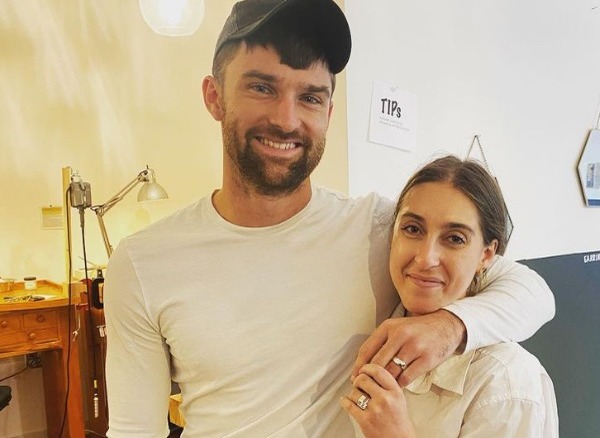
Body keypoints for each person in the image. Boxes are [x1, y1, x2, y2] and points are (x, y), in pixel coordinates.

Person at [103, 1, 555, 436]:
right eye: (262, 87)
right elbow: (134, 430)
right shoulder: (144, 262)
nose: (286, 119)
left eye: (311, 97)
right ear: (214, 96)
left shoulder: (378, 228)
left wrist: (447, 327)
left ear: (329, 113)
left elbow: (532, 293)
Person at [342, 155, 559, 437]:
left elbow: (537, 293)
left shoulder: (505, 381)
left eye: (455, 238)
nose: (425, 258)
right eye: (413, 229)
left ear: (486, 255)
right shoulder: (371, 321)